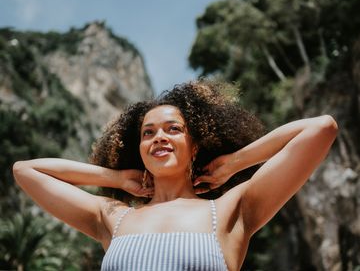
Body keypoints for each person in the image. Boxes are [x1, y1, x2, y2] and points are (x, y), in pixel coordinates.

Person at [13, 80, 338, 271]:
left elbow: (321, 128)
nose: (159, 138)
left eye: (174, 129)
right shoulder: (113, 217)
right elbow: (26, 171)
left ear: (195, 146)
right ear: (139, 148)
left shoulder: (230, 210)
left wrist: (233, 164)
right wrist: (118, 179)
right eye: (148, 133)